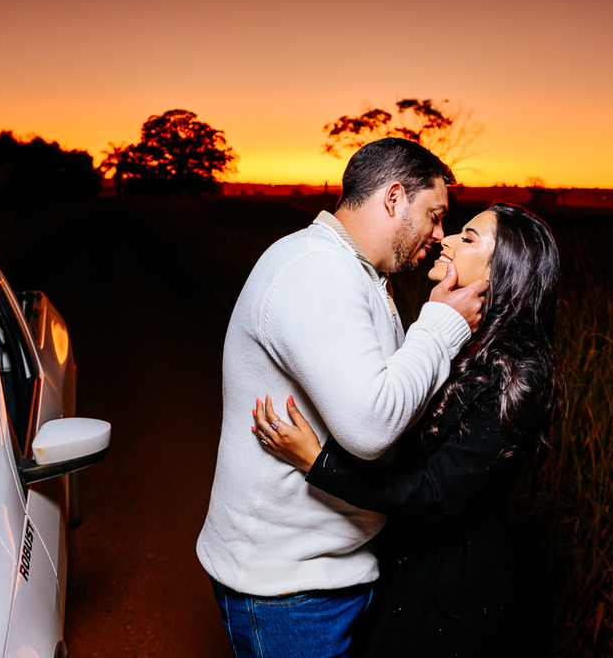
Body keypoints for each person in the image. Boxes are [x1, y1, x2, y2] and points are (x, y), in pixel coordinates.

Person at [197, 138, 491, 658]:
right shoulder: (315, 270)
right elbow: (371, 426)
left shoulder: (361, 273)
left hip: (333, 569)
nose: (440, 234)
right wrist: (442, 327)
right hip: (287, 590)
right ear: (395, 197)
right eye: (435, 215)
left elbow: (400, 397)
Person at [252, 202, 562, 657]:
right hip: (405, 570)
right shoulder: (463, 339)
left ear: (503, 271)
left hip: (452, 600)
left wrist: (317, 461)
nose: (447, 239)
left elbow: (431, 495)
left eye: (469, 238)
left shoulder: (519, 375)